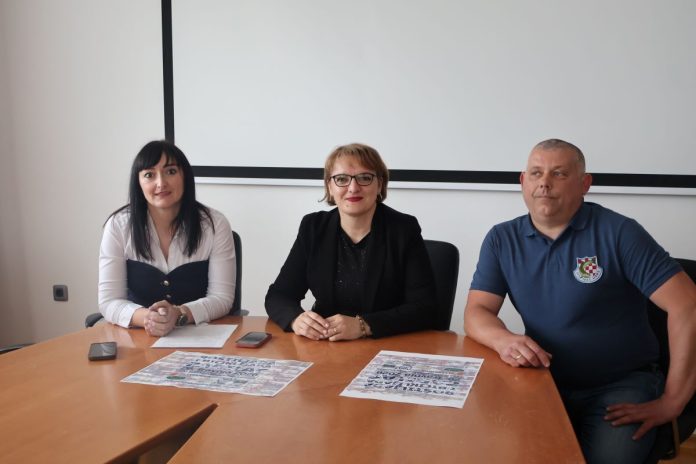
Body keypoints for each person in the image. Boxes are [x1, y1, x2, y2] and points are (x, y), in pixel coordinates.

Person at [464, 139, 696, 464]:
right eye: (536, 173)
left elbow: (687, 304)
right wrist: (503, 340)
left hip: (620, 385)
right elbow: (477, 312)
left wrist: (674, 400)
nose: (544, 183)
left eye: (559, 173)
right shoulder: (501, 239)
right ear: (523, 181)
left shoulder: (620, 232)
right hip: (542, 380)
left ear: (585, 184)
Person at [265, 143, 436, 340]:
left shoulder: (403, 229)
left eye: (365, 178)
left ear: (380, 184)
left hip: (385, 344)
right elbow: (279, 295)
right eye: (341, 179)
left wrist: (364, 325)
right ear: (329, 186)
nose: (353, 188)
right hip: (325, 344)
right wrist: (296, 319)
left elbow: (425, 307)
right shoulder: (313, 227)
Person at [99, 140, 236, 336]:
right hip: (137, 338)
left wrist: (179, 314)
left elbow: (222, 298)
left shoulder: (214, 224)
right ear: (138, 183)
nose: (161, 183)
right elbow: (109, 301)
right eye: (149, 175)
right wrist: (148, 318)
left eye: (170, 171)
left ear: (184, 176)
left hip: (200, 337)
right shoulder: (118, 226)